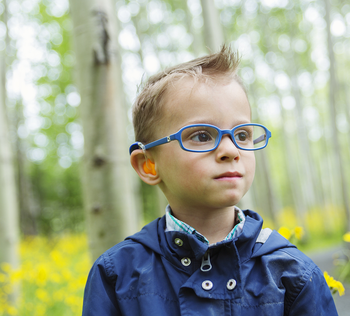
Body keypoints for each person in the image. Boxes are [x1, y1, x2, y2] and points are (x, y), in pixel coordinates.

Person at [82, 46, 338, 315]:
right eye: (202, 136)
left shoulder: (294, 274)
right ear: (148, 165)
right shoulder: (116, 275)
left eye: (242, 135)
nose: (231, 150)